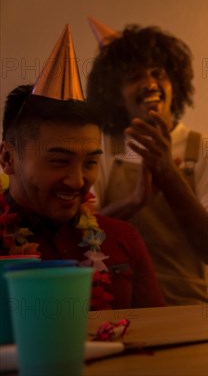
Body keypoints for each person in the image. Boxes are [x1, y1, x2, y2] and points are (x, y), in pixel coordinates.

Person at [0, 26, 165, 310]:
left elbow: (161, 336)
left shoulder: (123, 239)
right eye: (59, 161)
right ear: (7, 159)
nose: (77, 181)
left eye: (90, 162)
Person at [87, 25, 208, 305]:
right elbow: (81, 236)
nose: (150, 84)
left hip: (189, 308)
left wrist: (168, 174)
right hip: (114, 307)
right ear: (115, 94)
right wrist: (134, 202)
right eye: (134, 77)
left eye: (158, 73)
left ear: (176, 84)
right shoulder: (100, 148)